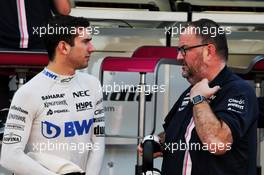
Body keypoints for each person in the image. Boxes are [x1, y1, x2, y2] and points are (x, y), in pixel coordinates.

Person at [139, 19, 258, 175]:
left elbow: (217, 142)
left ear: (208, 51)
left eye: (184, 49)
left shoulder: (239, 91)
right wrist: (157, 143)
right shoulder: (192, 91)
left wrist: (198, 100)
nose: (178, 57)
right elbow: (181, 132)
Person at [0, 15, 105, 175]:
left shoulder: (92, 85)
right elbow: (9, 156)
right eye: (85, 42)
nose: (92, 48)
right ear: (63, 47)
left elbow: (98, 142)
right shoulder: (28, 92)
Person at [0, 0, 71, 130]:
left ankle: (4, 115)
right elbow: (64, 10)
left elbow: (64, 10)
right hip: (39, 42)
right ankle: (37, 119)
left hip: (11, 43)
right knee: (43, 82)